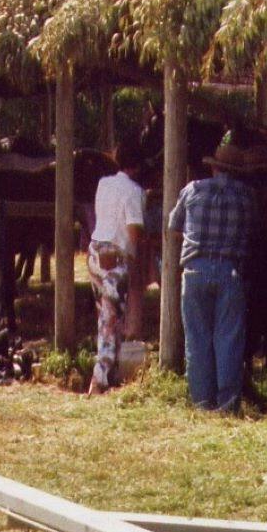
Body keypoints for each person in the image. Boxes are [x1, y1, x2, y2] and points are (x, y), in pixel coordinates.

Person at [167, 137, 260, 412]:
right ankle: (228, 403)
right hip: (230, 271)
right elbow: (254, 230)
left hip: (194, 269)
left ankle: (201, 402)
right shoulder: (246, 196)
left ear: (213, 168)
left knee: (196, 337)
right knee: (228, 338)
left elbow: (173, 228)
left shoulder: (191, 189)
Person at [87, 135, 148, 392]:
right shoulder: (135, 192)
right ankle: (99, 380)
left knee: (105, 318)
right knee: (110, 323)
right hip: (115, 259)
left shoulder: (103, 184)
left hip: (95, 253)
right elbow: (133, 233)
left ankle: (110, 374)